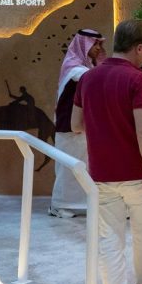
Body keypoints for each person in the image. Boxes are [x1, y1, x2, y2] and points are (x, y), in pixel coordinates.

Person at [72, 18, 142, 284]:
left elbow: (75, 124)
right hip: (136, 174)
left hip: (101, 175)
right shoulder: (137, 79)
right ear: (138, 48)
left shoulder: (88, 78)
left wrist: (103, 129)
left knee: (109, 241)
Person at [49, 28, 105, 218]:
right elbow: (92, 79)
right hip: (68, 127)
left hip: (83, 126)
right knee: (68, 167)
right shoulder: (74, 68)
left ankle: (82, 204)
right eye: (94, 44)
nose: (98, 48)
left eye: (99, 44)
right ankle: (59, 205)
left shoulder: (88, 68)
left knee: (84, 166)